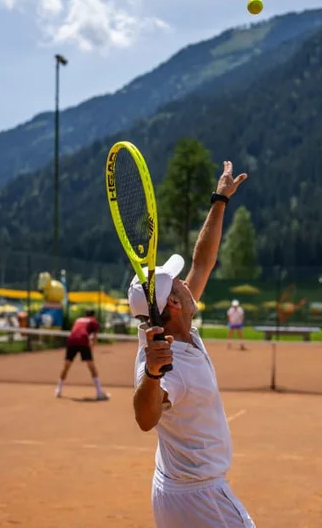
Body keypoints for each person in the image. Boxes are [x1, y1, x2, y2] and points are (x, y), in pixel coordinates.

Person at [130, 161, 256, 528]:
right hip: (201, 498)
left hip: (174, 488)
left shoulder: (176, 328)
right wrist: (153, 374)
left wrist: (220, 200)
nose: (187, 282)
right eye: (179, 283)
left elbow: (202, 263)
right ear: (172, 302)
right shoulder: (168, 361)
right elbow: (145, 418)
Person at [55, 309, 109, 400]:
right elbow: (94, 337)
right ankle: (99, 392)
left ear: (85, 314)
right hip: (83, 340)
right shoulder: (93, 321)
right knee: (91, 367)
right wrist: (91, 347)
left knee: (66, 366)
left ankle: (58, 390)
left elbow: (75, 330)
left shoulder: (78, 320)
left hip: (71, 340)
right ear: (93, 315)